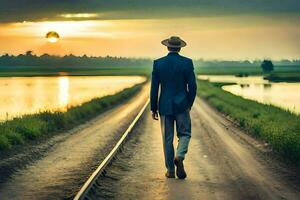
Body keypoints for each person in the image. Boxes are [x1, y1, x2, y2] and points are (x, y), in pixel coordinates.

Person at [150, 36, 197, 179]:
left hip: (164, 105)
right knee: (185, 134)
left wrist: (153, 107)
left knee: (167, 139)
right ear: (180, 48)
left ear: (167, 47)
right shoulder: (187, 63)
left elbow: (154, 88)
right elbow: (193, 87)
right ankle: (180, 155)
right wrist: (189, 103)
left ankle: (170, 170)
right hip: (182, 105)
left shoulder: (158, 64)